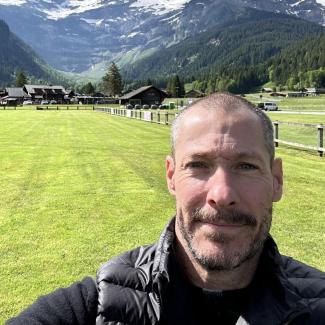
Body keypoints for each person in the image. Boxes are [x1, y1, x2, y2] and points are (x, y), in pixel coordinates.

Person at [7, 92, 325, 324]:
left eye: (245, 166)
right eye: (198, 165)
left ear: (277, 180)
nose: (222, 194)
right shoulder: (95, 307)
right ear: (171, 177)